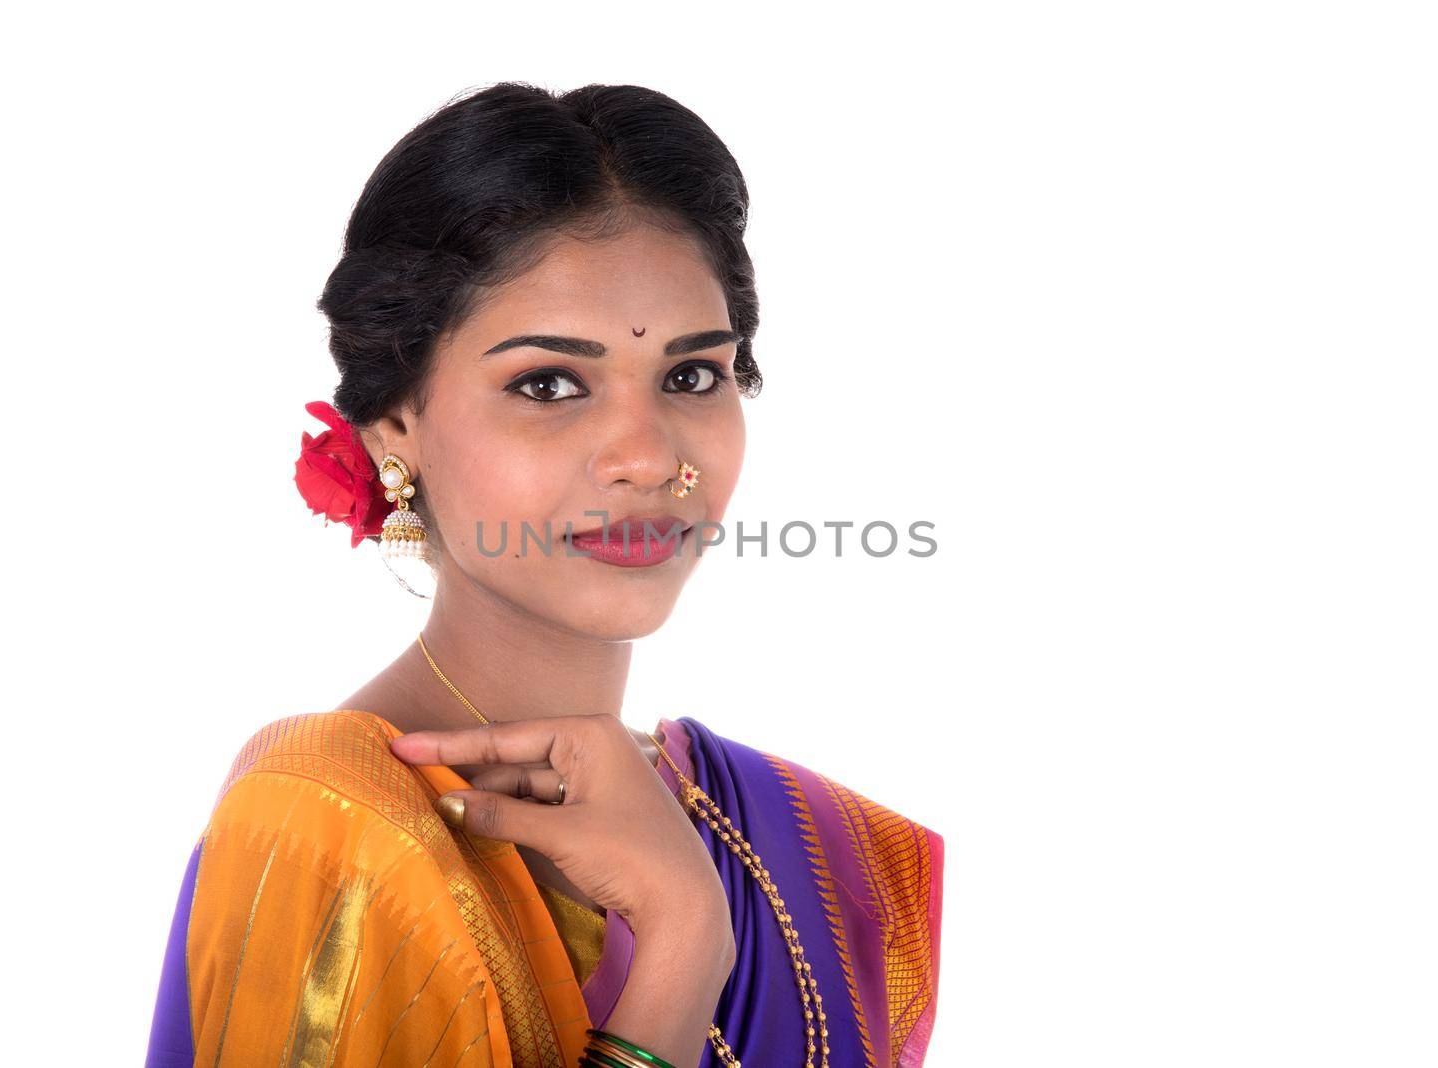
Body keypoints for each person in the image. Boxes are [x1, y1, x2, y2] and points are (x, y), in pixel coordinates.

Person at [144, 81, 944, 1068]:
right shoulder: (329, 822)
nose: (648, 458)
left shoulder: (828, 852)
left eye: (692, 376)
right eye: (549, 383)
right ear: (396, 423)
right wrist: (685, 941)